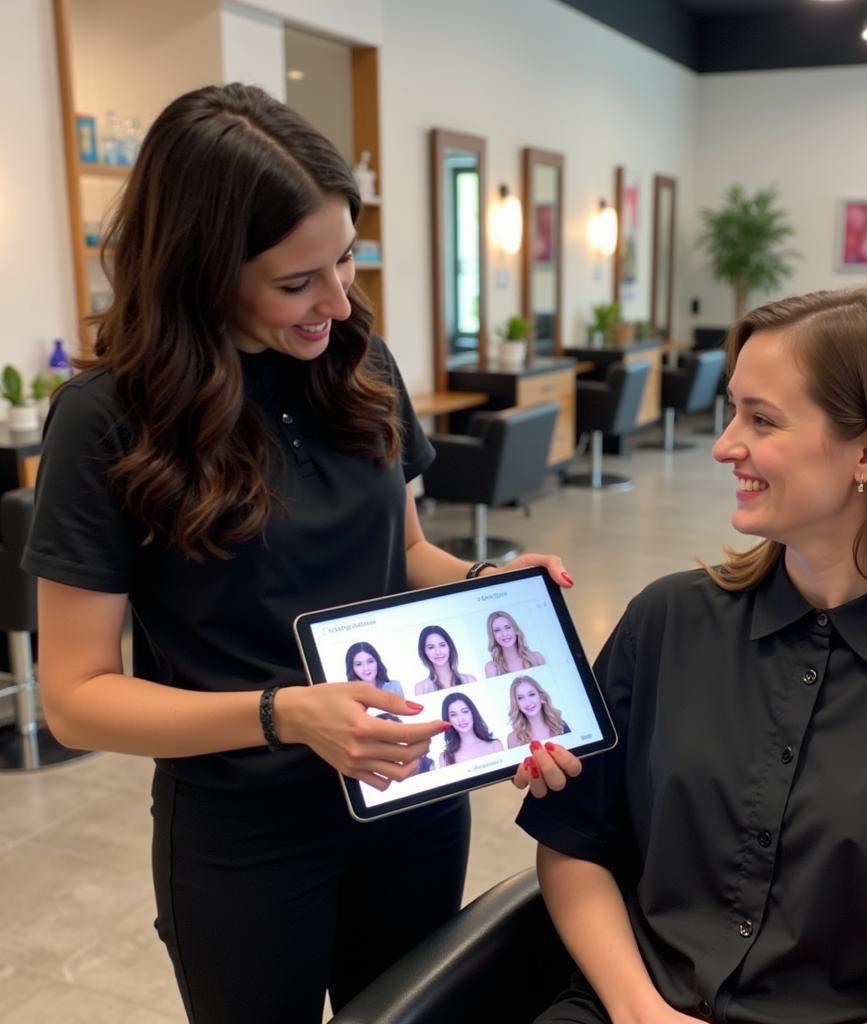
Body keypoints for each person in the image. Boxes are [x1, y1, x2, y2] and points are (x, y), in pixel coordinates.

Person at [22, 83, 579, 1024]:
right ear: (202, 270)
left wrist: (488, 585)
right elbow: (75, 699)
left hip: (412, 793)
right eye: (296, 282)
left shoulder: (361, 365)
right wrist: (289, 715)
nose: (338, 299)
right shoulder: (108, 419)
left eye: (347, 260)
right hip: (245, 835)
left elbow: (401, 553)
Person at [517, 287, 867, 1024]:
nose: (725, 445)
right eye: (732, 411)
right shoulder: (665, 622)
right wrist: (638, 1010)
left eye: (761, 419)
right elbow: (574, 844)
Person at [438, 692, 503, 766]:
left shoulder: (495, 746)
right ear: (448, 720)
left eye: (465, 711)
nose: (461, 719)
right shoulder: (445, 758)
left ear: (473, 712)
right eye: (453, 715)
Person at [506, 675, 569, 748]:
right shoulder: (512, 739)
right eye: (520, 698)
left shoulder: (560, 726)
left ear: (541, 697)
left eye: (531, 694)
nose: (528, 702)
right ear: (516, 703)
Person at [413, 624, 476, 693]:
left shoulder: (469, 680)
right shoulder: (421, 688)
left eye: (442, 645)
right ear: (424, 652)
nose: (438, 652)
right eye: (431, 647)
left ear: (449, 647)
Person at [483, 609, 547, 677]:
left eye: (507, 627)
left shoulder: (537, 657)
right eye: (497, 630)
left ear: (515, 629)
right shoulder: (492, 668)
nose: (504, 634)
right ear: (493, 635)